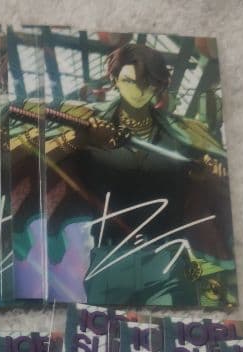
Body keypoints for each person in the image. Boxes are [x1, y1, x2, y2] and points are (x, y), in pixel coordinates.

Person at [46, 41, 233, 307]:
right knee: (104, 329)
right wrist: (80, 138)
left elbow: (211, 171)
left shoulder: (181, 134)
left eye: (146, 82)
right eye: (129, 81)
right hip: (110, 258)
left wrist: (210, 170)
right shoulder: (89, 126)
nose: (138, 90)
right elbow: (43, 156)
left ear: (158, 85)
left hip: (167, 258)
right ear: (114, 80)